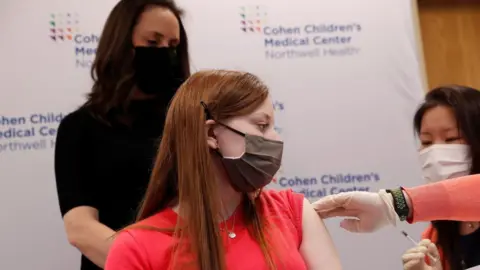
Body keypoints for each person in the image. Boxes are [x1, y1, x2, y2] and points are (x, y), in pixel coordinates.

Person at [105, 70, 342, 270]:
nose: (275, 138)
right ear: (210, 134)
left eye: (272, 126)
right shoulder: (136, 247)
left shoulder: (293, 212)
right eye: (262, 125)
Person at [54, 1, 190, 270]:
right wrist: (148, 262)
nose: (165, 53)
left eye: (173, 45)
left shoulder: (191, 119)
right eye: (152, 42)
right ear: (120, 46)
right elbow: (80, 227)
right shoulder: (80, 128)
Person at [314, 86, 480, 269]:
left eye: (451, 138)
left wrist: (393, 204)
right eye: (426, 142)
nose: (435, 152)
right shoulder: (435, 236)